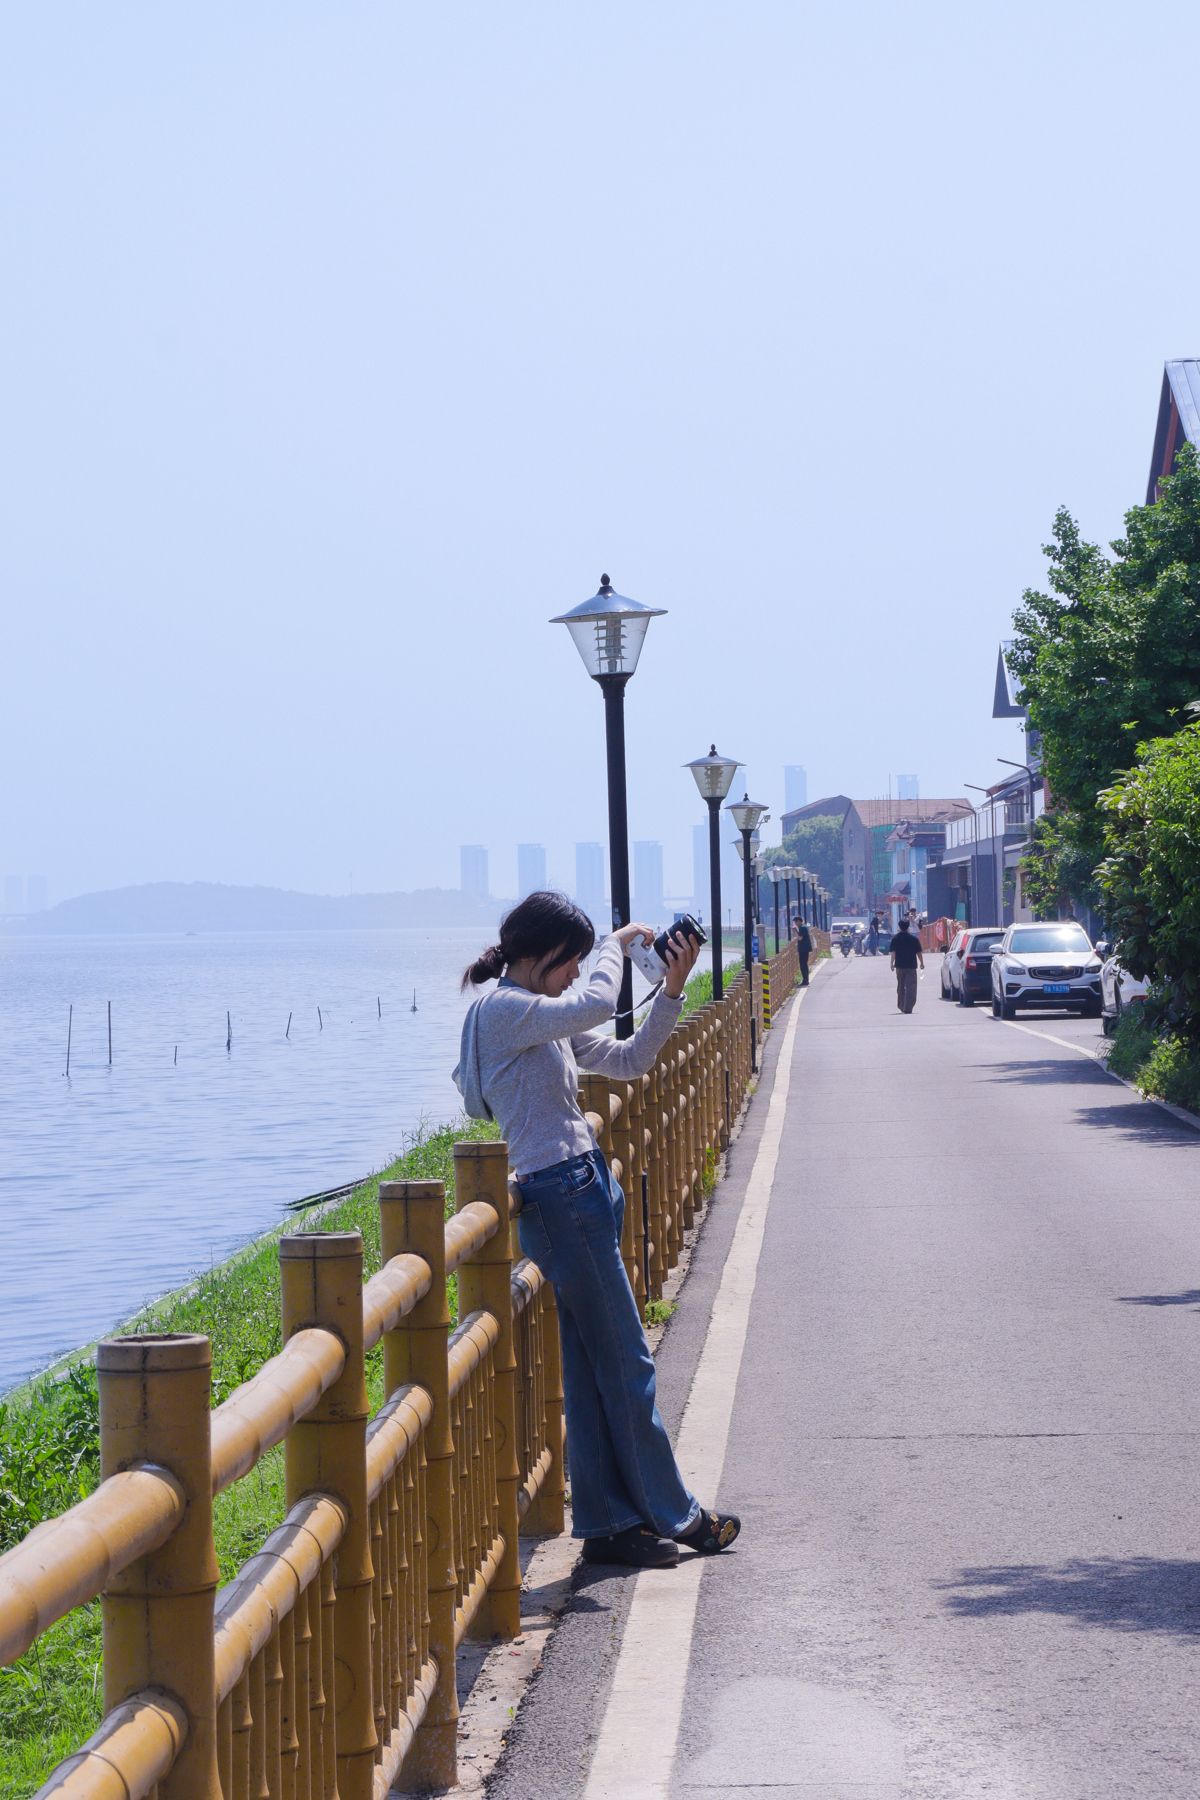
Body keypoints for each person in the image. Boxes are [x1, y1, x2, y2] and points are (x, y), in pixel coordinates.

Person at [454, 891, 741, 1571]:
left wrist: (669, 989)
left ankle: (610, 1525)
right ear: (536, 952)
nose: (575, 976)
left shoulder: (536, 1015)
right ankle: (678, 1514)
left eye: (584, 962)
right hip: (560, 1196)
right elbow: (590, 1007)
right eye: (570, 962)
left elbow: (626, 1059)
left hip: (581, 1188)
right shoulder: (504, 1011)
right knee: (628, 1363)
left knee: (590, 1372)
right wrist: (616, 944)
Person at [889, 915, 924, 1013]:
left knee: (900, 986)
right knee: (911, 987)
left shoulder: (895, 939)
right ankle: (908, 1007)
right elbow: (918, 952)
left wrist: (892, 963)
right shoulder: (913, 939)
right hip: (911, 966)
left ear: (899, 927)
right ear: (908, 927)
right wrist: (922, 963)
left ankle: (901, 1005)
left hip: (899, 966)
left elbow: (893, 952)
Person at [794, 914, 812, 985]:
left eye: (795, 922)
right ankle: (805, 980)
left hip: (803, 949)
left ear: (799, 921)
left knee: (803, 965)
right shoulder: (803, 928)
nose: (795, 924)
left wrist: (796, 931)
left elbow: (800, 938)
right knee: (804, 964)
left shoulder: (802, 928)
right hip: (804, 949)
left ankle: (805, 980)